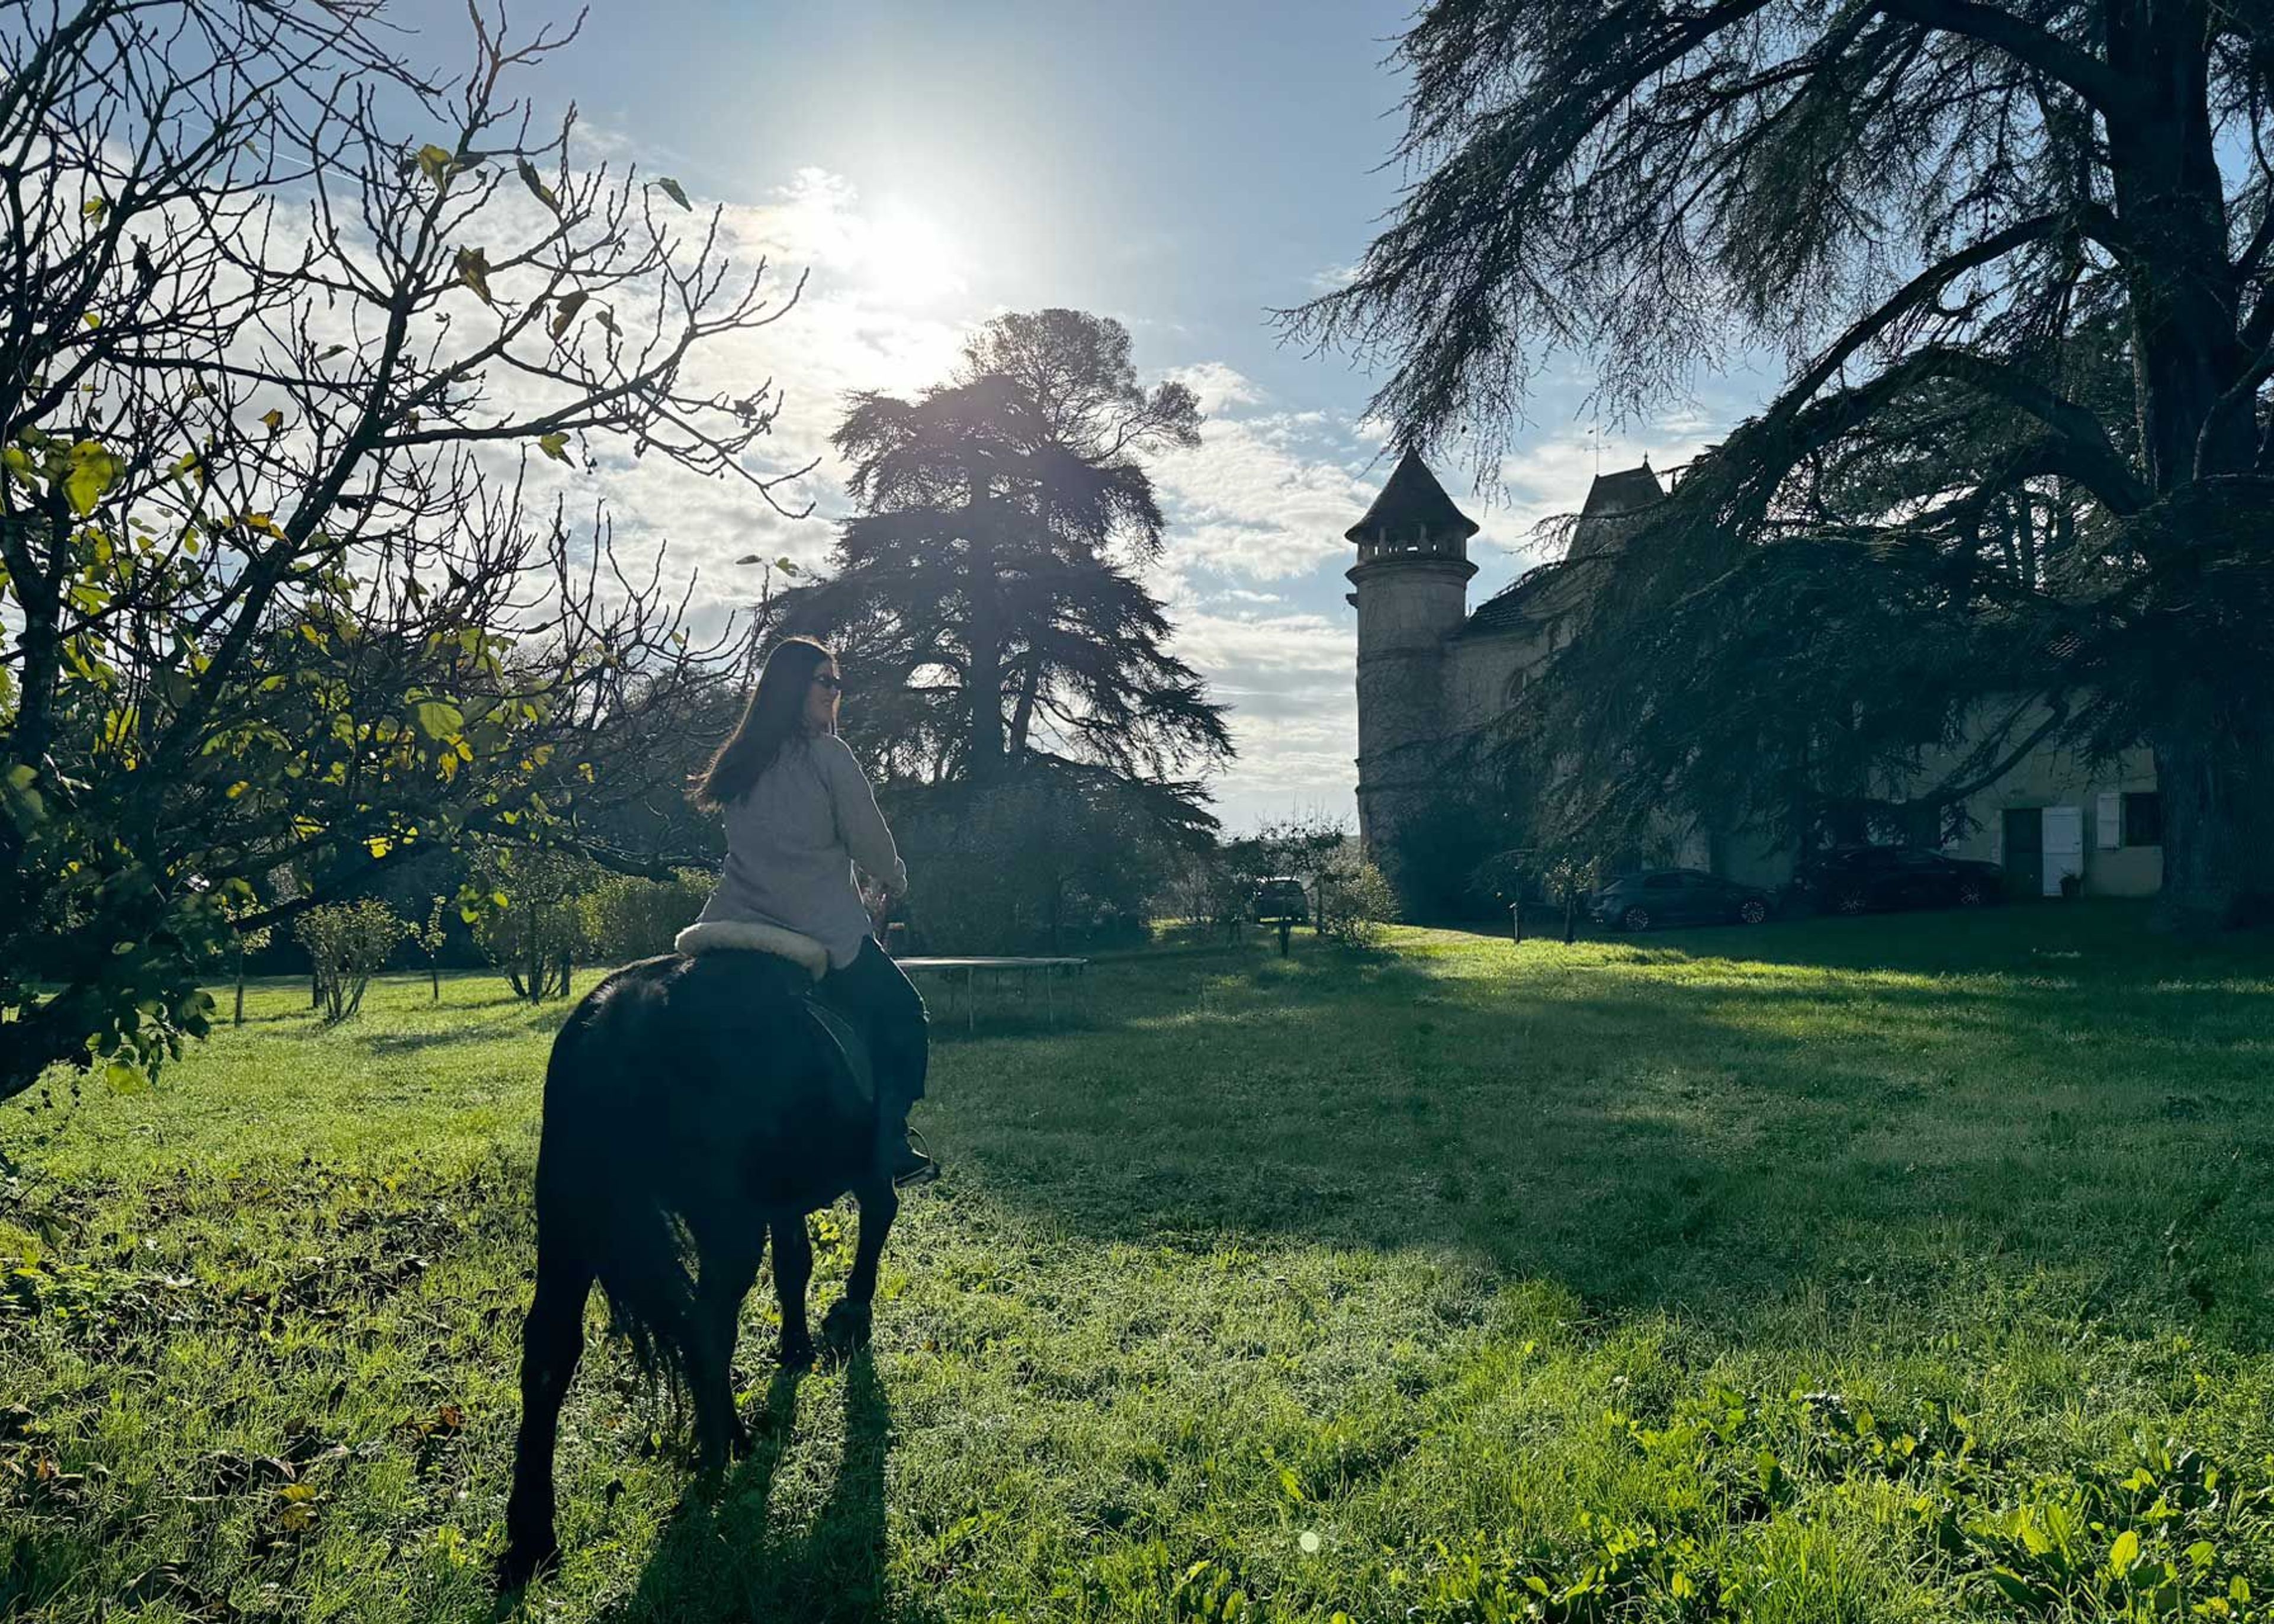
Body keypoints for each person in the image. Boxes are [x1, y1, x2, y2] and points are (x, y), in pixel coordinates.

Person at [690, 636, 934, 1186]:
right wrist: (895, 878)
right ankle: (891, 1144)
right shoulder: (829, 756)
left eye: (837, 682)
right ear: (793, 686)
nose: (834, 691)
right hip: (818, 929)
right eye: (825, 680)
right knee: (904, 1014)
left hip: (732, 922)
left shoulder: (739, 761)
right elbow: (869, 841)